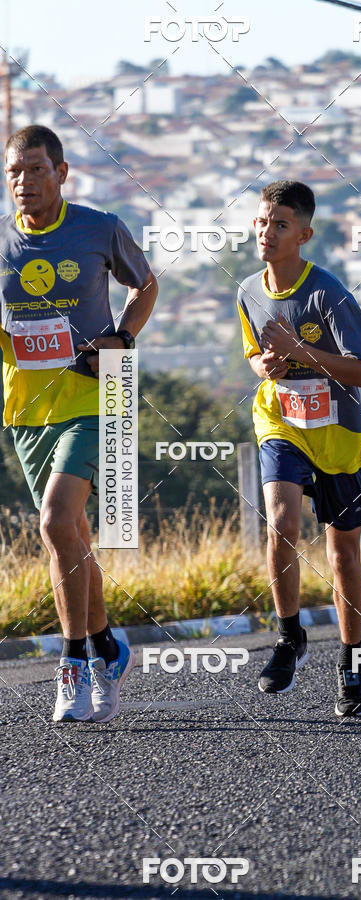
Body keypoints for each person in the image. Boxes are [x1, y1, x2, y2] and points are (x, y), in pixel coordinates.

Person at [1, 125, 158, 722]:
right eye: (14, 171)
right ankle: (106, 647)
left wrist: (122, 336)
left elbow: (145, 286)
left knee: (55, 519)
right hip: (27, 409)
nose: (24, 182)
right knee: (68, 537)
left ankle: (71, 663)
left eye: (36, 169)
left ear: (62, 174)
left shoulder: (99, 226)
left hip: (97, 395)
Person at [236, 180, 361, 717]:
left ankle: (352, 665)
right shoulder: (248, 289)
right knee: (281, 521)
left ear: (304, 234)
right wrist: (267, 367)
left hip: (337, 432)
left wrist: (303, 352)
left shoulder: (329, 294)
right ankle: (289, 636)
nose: (266, 233)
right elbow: (253, 353)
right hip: (281, 420)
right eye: (261, 222)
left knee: (342, 554)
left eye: (279, 225)